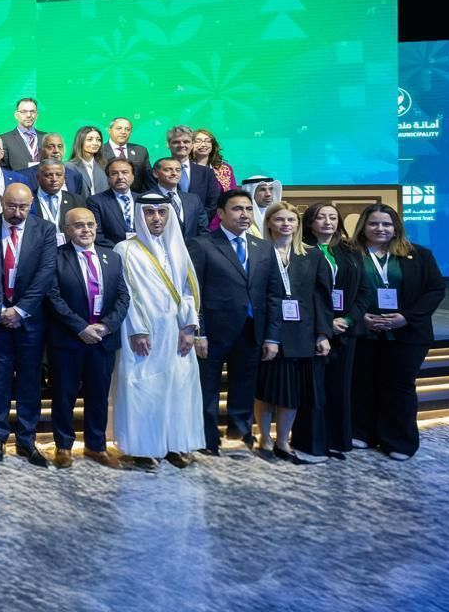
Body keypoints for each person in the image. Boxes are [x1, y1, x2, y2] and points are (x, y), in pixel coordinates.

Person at [189, 188, 285, 455]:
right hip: (213, 332)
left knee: (244, 386)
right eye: (237, 209)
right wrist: (199, 332)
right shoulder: (202, 244)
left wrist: (272, 336)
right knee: (207, 389)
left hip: (252, 329)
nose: (244, 214)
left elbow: (273, 294)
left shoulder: (263, 247)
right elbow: (194, 293)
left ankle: (240, 434)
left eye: (248, 209)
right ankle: (207, 439)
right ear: (220, 213)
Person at [113, 193, 203, 469]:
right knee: (143, 389)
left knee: (178, 388)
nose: (156, 218)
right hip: (143, 334)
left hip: (177, 334)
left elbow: (189, 291)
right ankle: (142, 449)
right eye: (149, 212)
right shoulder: (125, 249)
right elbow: (125, 294)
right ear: (139, 215)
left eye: (161, 212)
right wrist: (137, 330)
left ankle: (174, 445)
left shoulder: (178, 248)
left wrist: (189, 327)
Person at [351, 203, 445, 459]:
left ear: (396, 228)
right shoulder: (351, 254)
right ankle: (362, 432)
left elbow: (435, 290)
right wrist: (359, 317)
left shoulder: (419, 254)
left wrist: (405, 318)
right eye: (373, 223)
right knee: (362, 383)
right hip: (364, 331)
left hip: (407, 333)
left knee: (399, 385)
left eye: (386, 224)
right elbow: (340, 290)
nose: (380, 228)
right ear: (363, 226)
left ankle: (399, 441)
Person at [45, 208, 129, 468]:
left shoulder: (111, 257)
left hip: (102, 340)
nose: (86, 230)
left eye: (90, 225)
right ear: (67, 230)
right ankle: (63, 446)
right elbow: (52, 297)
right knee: (64, 395)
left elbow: (123, 296)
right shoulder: (56, 257)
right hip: (68, 340)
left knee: (98, 395)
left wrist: (106, 326)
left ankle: (96, 446)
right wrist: (81, 328)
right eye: (79, 225)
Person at [252, 202, 332, 464]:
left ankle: (283, 441)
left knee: (292, 391)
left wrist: (323, 333)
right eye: (280, 219)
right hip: (267, 331)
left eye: (291, 220)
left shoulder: (313, 255)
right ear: (269, 223)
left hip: (301, 333)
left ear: (298, 225)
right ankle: (265, 438)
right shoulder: (258, 253)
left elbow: (322, 298)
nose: (286, 224)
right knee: (265, 389)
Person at [0, 183, 56, 466]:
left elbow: (46, 273)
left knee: (30, 382)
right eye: (11, 206)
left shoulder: (45, 229)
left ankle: (27, 440)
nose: (17, 212)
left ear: (32, 203)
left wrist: (20, 310)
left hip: (30, 320)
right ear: (2, 201)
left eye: (23, 207)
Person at [294, 202, 363, 459]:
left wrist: (349, 319)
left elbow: (364, 290)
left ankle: (337, 441)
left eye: (332, 217)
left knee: (340, 388)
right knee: (314, 389)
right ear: (310, 222)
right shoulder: (300, 250)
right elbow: (299, 293)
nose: (327, 222)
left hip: (345, 329)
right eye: (321, 217)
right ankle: (311, 444)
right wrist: (325, 324)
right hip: (313, 330)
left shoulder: (350, 251)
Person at [88, 157, 143, 248]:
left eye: (125, 172)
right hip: (113, 251)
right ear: (108, 177)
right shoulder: (96, 201)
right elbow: (97, 235)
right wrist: (119, 250)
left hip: (143, 250)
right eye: (114, 173)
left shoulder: (143, 199)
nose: (120, 177)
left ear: (133, 176)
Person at [163, 125, 220, 212]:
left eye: (186, 142)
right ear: (168, 144)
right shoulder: (158, 172)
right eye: (176, 142)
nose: (182, 145)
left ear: (192, 144)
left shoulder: (206, 173)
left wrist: (198, 220)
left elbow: (213, 203)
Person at [148, 157, 208, 238]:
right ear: (155, 173)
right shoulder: (146, 199)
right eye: (168, 170)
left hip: (191, 245)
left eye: (178, 170)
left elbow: (203, 229)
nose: (174, 173)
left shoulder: (193, 199)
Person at [32, 158, 84, 239]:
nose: (54, 179)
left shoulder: (76, 200)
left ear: (64, 177)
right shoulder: (29, 199)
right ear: (38, 178)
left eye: (59, 175)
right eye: (49, 175)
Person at [0, 97, 44, 171]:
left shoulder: (46, 138)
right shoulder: (4, 139)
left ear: (37, 115)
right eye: (24, 111)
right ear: (16, 115)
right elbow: (3, 170)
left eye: (32, 111)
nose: (29, 115)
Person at [191, 128, 237, 198]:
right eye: (198, 141)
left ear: (212, 145)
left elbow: (233, 196)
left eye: (208, 141)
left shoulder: (224, 169)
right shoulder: (184, 167)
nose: (203, 144)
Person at [104, 117, 151, 185]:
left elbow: (149, 179)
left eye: (127, 129)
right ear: (109, 130)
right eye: (119, 128)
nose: (123, 132)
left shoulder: (141, 151)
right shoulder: (99, 151)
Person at [65, 126, 107, 199]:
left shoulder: (104, 166)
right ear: (80, 141)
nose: (95, 143)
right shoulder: (69, 167)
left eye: (98, 140)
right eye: (90, 139)